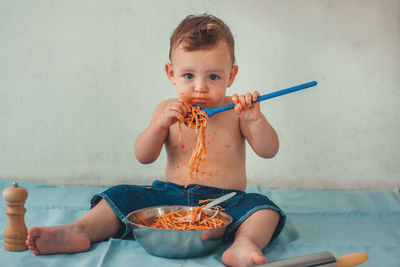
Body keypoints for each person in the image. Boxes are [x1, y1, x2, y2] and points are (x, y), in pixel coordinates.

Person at [26, 14, 286, 267]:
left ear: (231, 75)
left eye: (214, 77)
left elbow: (268, 150)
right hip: (168, 198)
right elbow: (143, 155)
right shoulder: (166, 109)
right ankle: (80, 230)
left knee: (264, 209)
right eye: (188, 76)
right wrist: (158, 125)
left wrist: (255, 121)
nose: (200, 87)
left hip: (225, 203)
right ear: (171, 73)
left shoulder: (236, 112)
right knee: (120, 195)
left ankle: (244, 244)